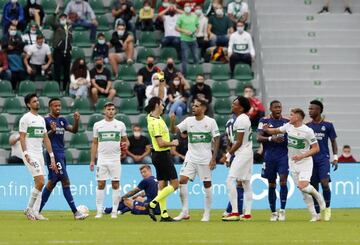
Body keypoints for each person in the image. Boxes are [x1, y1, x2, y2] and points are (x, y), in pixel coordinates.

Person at [263, 108, 327, 222]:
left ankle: (319, 198)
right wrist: (266, 129)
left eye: (291, 115)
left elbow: (316, 148)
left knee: (303, 186)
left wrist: (302, 156)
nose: (289, 116)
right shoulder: (288, 126)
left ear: (297, 117)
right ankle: (314, 215)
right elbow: (275, 131)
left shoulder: (307, 131)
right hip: (292, 163)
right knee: (303, 192)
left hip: (305, 162)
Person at [170, 98, 220, 222]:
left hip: (205, 159)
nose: (193, 108)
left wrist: (214, 158)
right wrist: (172, 121)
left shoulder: (211, 122)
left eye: (197, 106)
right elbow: (174, 130)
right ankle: (185, 211)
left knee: (207, 184)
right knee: (182, 180)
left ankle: (206, 214)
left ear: (203, 108)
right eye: (193, 106)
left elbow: (217, 139)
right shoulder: (188, 120)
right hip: (191, 157)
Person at [39, 98, 88, 220]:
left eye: (60, 106)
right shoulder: (45, 120)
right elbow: (42, 138)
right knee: (65, 181)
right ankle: (76, 212)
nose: (58, 108)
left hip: (62, 153)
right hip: (53, 154)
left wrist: (76, 121)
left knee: (52, 183)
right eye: (56, 106)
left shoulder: (62, 120)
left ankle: (35, 210)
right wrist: (52, 131)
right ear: (51, 107)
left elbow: (74, 130)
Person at [19, 93, 57, 220]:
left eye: (37, 100)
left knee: (41, 182)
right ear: (28, 104)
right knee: (40, 181)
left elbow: (45, 139)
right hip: (30, 154)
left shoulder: (41, 119)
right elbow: (22, 137)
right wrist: (26, 154)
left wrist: (51, 156)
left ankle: (36, 212)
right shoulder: (25, 118)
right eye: (34, 101)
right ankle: (29, 209)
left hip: (39, 154)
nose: (37, 102)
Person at [90, 102, 129, 219]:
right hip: (102, 159)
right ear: (104, 111)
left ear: (115, 111)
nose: (111, 111)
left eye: (112, 109)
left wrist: (125, 145)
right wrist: (92, 160)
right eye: (108, 109)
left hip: (115, 159)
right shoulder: (97, 125)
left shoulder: (120, 125)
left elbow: (126, 141)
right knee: (101, 183)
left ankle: (114, 211)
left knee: (115, 184)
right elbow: (95, 143)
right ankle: (99, 211)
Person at [145, 96, 180, 222]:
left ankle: (164, 214)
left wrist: (161, 80)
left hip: (158, 156)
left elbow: (158, 96)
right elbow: (160, 143)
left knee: (163, 185)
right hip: (162, 155)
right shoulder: (155, 123)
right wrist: (173, 143)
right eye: (162, 104)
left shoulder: (154, 117)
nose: (164, 106)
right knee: (175, 184)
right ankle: (151, 204)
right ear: (156, 105)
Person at [222, 96, 253, 221]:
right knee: (245, 182)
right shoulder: (244, 118)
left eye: (235, 104)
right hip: (247, 152)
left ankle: (235, 213)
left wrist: (228, 154)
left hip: (242, 153)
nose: (232, 105)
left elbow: (239, 142)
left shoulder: (241, 120)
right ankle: (247, 214)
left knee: (230, 180)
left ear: (241, 107)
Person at [257, 100, 289, 221]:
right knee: (271, 184)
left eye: (280, 107)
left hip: (283, 156)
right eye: (275, 107)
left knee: (283, 182)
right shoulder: (264, 121)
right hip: (269, 156)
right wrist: (271, 138)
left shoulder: (286, 122)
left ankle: (282, 210)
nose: (278, 109)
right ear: (271, 108)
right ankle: (273, 212)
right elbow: (258, 137)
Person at [307, 100, 338, 221]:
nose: (310, 111)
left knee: (325, 183)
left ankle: (328, 208)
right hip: (310, 159)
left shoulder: (328, 125)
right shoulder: (307, 126)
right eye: (309, 109)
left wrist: (335, 157)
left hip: (323, 158)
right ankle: (318, 212)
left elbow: (333, 142)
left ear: (319, 110)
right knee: (314, 187)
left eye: (312, 109)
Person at [51, 10, 73, 91]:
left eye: (64, 17)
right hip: (58, 52)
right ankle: (57, 89)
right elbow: (52, 22)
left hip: (67, 52)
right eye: (61, 18)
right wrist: (55, 14)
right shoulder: (57, 27)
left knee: (67, 73)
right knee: (57, 72)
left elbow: (70, 38)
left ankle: (64, 89)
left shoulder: (69, 28)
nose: (63, 19)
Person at [175, 2, 199, 74]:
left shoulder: (195, 16)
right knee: (185, 58)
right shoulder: (181, 17)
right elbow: (176, 28)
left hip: (193, 40)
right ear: (184, 8)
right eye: (185, 6)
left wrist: (195, 32)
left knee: (196, 57)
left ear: (191, 7)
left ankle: (196, 73)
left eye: (188, 6)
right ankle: (184, 74)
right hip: (184, 40)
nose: (187, 7)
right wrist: (184, 31)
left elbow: (197, 26)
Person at [1, 24, 25, 90]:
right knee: (12, 73)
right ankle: (12, 88)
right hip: (8, 55)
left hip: (17, 55)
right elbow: (3, 46)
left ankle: (21, 88)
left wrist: (14, 45)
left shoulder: (18, 36)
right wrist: (9, 47)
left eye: (14, 29)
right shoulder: (5, 37)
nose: (13, 31)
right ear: (8, 30)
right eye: (11, 29)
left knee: (21, 73)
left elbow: (21, 45)